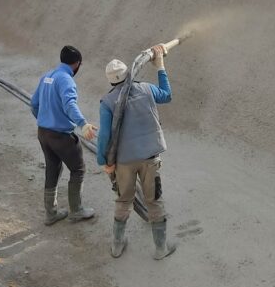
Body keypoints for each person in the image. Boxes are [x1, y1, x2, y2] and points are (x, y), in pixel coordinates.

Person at [96, 44, 175, 259]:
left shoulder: (107, 102)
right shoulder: (146, 89)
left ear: (110, 80)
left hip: (123, 162)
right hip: (150, 158)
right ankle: (161, 249)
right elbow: (167, 95)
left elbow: (104, 136)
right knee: (154, 199)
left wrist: (104, 161)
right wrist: (160, 66)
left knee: (123, 201)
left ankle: (117, 245)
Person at [30, 45, 97, 225]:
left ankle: (51, 213)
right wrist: (83, 124)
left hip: (43, 134)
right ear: (77, 64)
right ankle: (77, 210)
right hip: (61, 136)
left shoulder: (47, 77)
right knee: (78, 169)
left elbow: (33, 103)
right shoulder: (66, 79)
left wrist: (45, 120)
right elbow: (69, 104)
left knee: (52, 169)